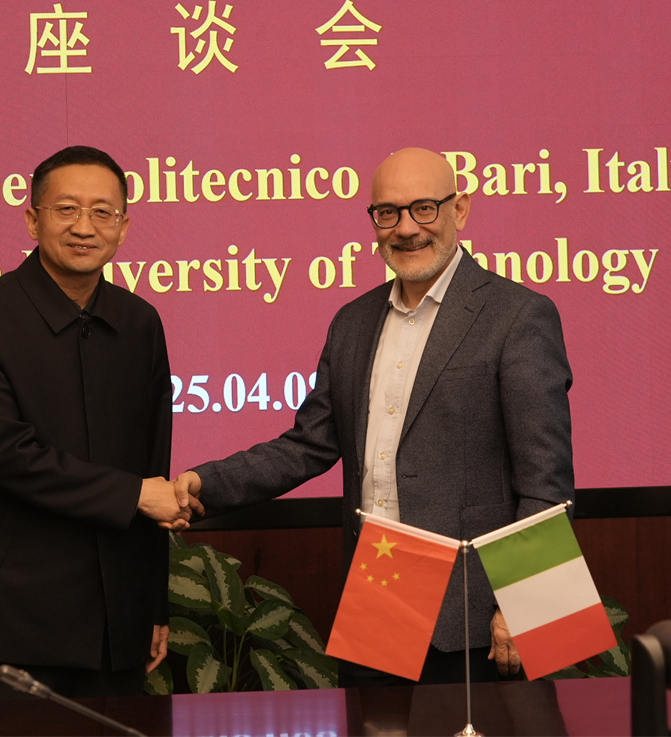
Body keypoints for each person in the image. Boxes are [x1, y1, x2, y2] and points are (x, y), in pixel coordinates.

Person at [174, 147, 573, 685]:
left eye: (424, 208)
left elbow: (547, 481)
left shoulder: (519, 315)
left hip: (478, 613)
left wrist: (528, 608)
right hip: (377, 594)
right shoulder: (352, 322)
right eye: (388, 212)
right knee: (373, 723)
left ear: (459, 210)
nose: (406, 229)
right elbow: (308, 445)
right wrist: (204, 484)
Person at [0, 145, 190, 700]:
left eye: (103, 212)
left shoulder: (140, 323)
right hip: (16, 623)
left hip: (118, 621)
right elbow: (5, 455)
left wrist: (153, 603)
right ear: (33, 220)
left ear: (123, 228)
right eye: (66, 210)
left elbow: (154, 466)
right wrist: (134, 494)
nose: (84, 227)